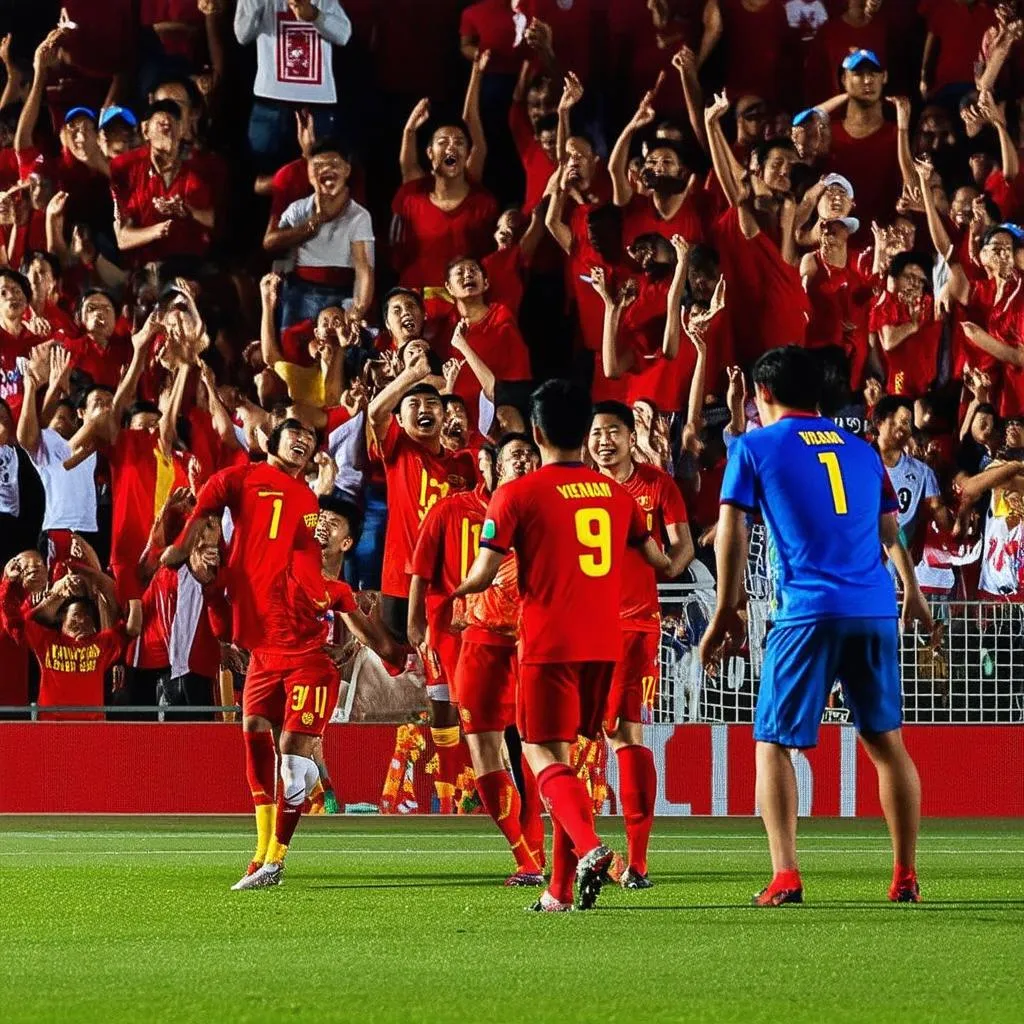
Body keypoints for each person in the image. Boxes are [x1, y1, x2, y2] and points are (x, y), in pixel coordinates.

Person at [700, 345, 933, 906]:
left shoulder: (754, 446)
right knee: (887, 743)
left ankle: (786, 874)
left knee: (773, 743)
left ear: (763, 394)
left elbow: (731, 529)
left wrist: (727, 607)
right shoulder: (861, 449)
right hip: (874, 606)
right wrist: (915, 591)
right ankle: (905, 874)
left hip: (807, 609)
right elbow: (889, 532)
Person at [454, 379, 673, 911]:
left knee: (539, 754)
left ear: (535, 431)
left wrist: (455, 592)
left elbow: (485, 572)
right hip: (606, 643)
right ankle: (558, 890)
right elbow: (660, 561)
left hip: (549, 643)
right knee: (570, 762)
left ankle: (593, 848)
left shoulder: (516, 494)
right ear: (583, 432)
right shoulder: (617, 495)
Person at [163, 418, 347, 888]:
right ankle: (262, 853)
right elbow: (207, 518)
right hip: (258, 638)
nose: (304, 440)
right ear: (271, 441)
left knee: (293, 755)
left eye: (309, 437)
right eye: (295, 433)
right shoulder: (242, 478)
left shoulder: (307, 502)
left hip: (293, 638)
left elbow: (308, 556)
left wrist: (321, 551)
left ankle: (274, 857)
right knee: (252, 734)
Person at [409, 434, 544, 879]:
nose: (523, 461)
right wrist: (429, 618)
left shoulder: (553, 510)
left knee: (540, 748)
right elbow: (423, 570)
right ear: (492, 466)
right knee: (486, 748)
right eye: (513, 456)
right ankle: (525, 857)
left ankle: (556, 853)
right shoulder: (456, 510)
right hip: (478, 641)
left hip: (535, 643)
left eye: (530, 454)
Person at [588, 401, 693, 888]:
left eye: (613, 431)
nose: (604, 440)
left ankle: (636, 859)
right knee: (598, 738)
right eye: (596, 433)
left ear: (632, 437)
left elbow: (683, 544)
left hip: (632, 625)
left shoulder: (656, 485)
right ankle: (605, 855)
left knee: (624, 733)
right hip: (582, 626)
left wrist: (670, 567)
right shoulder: (583, 487)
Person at [264, 137, 374, 329]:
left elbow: (364, 269)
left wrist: (357, 310)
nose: (326, 170)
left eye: (333, 164)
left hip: (341, 294)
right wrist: (316, 220)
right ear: (308, 173)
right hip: (300, 292)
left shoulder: (359, 216)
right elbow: (271, 243)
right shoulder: (298, 209)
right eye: (318, 165)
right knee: (293, 353)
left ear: (347, 170)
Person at [233, 0, 353, 173]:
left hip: (316, 104)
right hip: (270, 102)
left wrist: (314, 15)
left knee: (318, 174)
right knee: (264, 176)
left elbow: (344, 35)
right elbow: (242, 35)